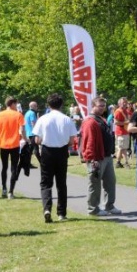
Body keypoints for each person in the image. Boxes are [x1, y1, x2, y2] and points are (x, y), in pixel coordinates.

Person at [32, 93, 79, 222]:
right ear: (61, 104)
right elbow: (71, 141)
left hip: (47, 151)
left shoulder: (43, 118)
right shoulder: (67, 119)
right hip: (62, 151)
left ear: (48, 104)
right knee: (61, 183)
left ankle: (47, 208)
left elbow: (37, 139)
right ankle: (61, 213)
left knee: (46, 182)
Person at [80, 98, 123, 216]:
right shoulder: (90, 121)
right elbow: (89, 141)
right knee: (95, 183)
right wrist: (92, 159)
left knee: (110, 182)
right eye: (100, 106)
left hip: (107, 156)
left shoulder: (101, 119)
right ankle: (93, 209)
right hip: (97, 158)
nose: (102, 108)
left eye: (104, 106)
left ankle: (109, 206)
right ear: (93, 106)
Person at [0, 96, 26, 199]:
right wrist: (25, 139)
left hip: (3, 144)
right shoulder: (18, 115)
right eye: (16, 104)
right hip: (14, 144)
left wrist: (0, 132)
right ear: (13, 104)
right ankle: (11, 191)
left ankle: (4, 189)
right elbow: (22, 130)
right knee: (14, 167)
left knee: (4, 167)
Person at [113, 97, 132, 168]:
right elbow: (116, 122)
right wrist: (126, 122)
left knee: (123, 148)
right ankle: (123, 163)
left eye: (125, 102)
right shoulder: (118, 111)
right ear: (119, 103)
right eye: (123, 102)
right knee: (121, 148)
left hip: (125, 132)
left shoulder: (125, 111)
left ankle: (121, 162)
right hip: (121, 132)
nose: (125, 104)